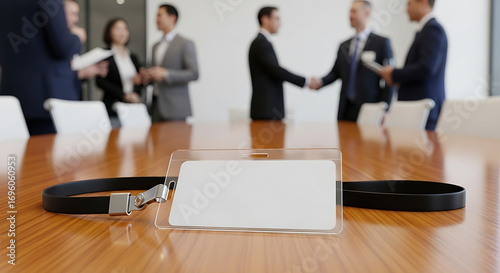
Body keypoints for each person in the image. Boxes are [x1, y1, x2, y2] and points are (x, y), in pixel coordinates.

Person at [0, 0, 82, 135]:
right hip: (48, 96)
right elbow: (63, 48)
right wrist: (77, 37)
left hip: (12, 94)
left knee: (14, 154)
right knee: (50, 154)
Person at [312, 0, 394, 122]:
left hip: (370, 107)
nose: (350, 15)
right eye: (350, 11)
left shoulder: (381, 43)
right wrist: (320, 82)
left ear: (367, 13)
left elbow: (389, 78)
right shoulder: (344, 45)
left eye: (354, 11)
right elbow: (336, 72)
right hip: (345, 107)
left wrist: (385, 108)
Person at [379, 0, 447, 130]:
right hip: (418, 110)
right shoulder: (426, 30)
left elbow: (426, 67)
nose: (406, 10)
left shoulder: (433, 29)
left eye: (409, 4)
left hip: (425, 112)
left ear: (423, 2)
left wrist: (394, 74)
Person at [249, 7, 318, 120]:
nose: (280, 23)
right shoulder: (260, 43)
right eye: (277, 19)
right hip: (265, 111)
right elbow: (277, 71)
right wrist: (306, 81)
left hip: (268, 110)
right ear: (265, 19)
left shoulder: (263, 42)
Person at [142, 4, 199, 122]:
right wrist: (148, 75)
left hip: (176, 108)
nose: (156, 20)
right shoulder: (155, 46)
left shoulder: (185, 43)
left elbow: (194, 73)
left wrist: (166, 74)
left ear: (172, 18)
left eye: (159, 15)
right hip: (155, 107)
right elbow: (155, 74)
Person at [96, 18, 143, 120]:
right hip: (112, 107)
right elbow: (100, 81)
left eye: (125, 28)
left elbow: (139, 80)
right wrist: (123, 95)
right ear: (109, 32)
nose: (122, 32)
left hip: (132, 107)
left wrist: (135, 93)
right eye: (118, 28)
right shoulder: (104, 55)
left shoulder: (133, 57)